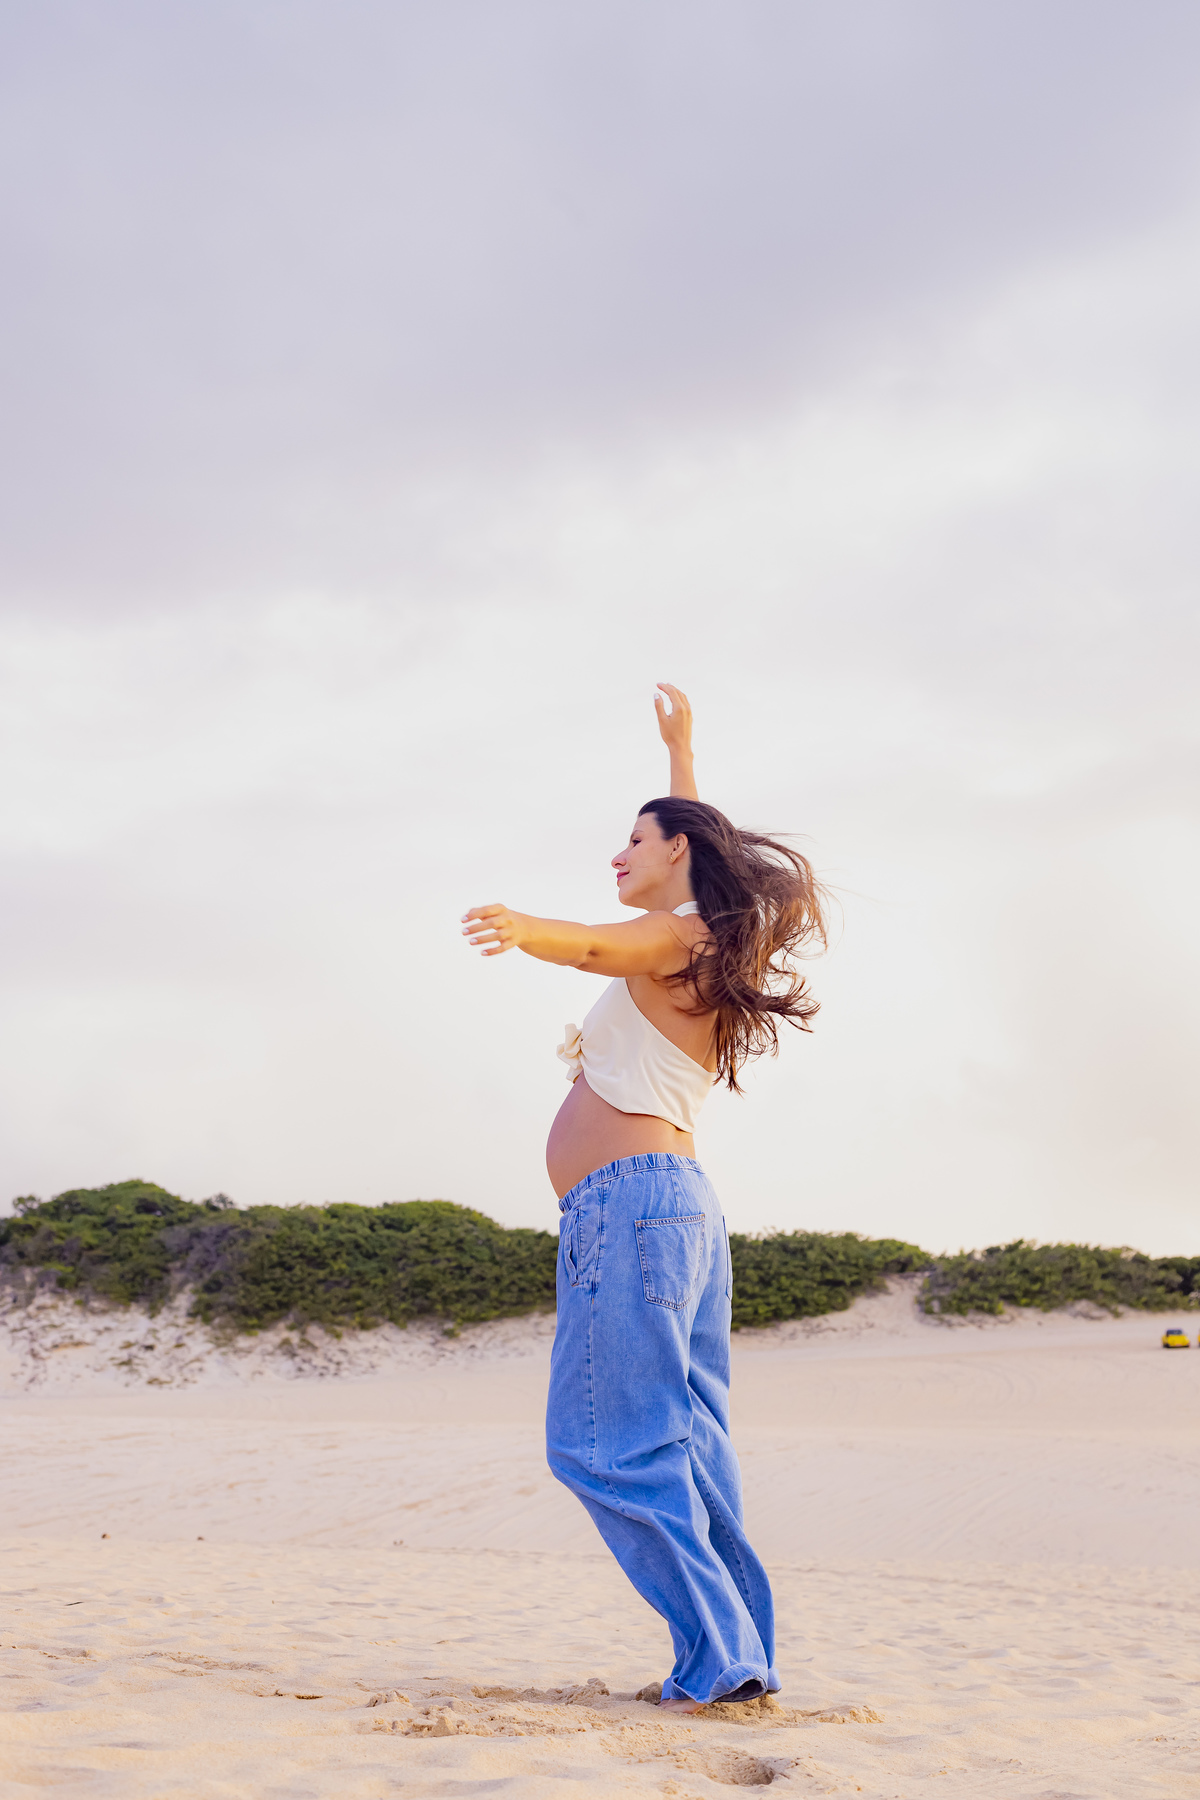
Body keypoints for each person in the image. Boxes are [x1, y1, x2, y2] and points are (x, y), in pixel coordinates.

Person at [461, 684, 826, 1712]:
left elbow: (595, 945)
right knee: (688, 1447)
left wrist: (524, 927)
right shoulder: (709, 935)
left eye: (635, 839)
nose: (618, 854)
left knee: (603, 1447)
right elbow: (690, 848)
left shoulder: (676, 940)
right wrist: (681, 754)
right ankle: (735, 1657)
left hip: (630, 1210)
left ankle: (720, 1659)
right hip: (673, 1211)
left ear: (677, 854)